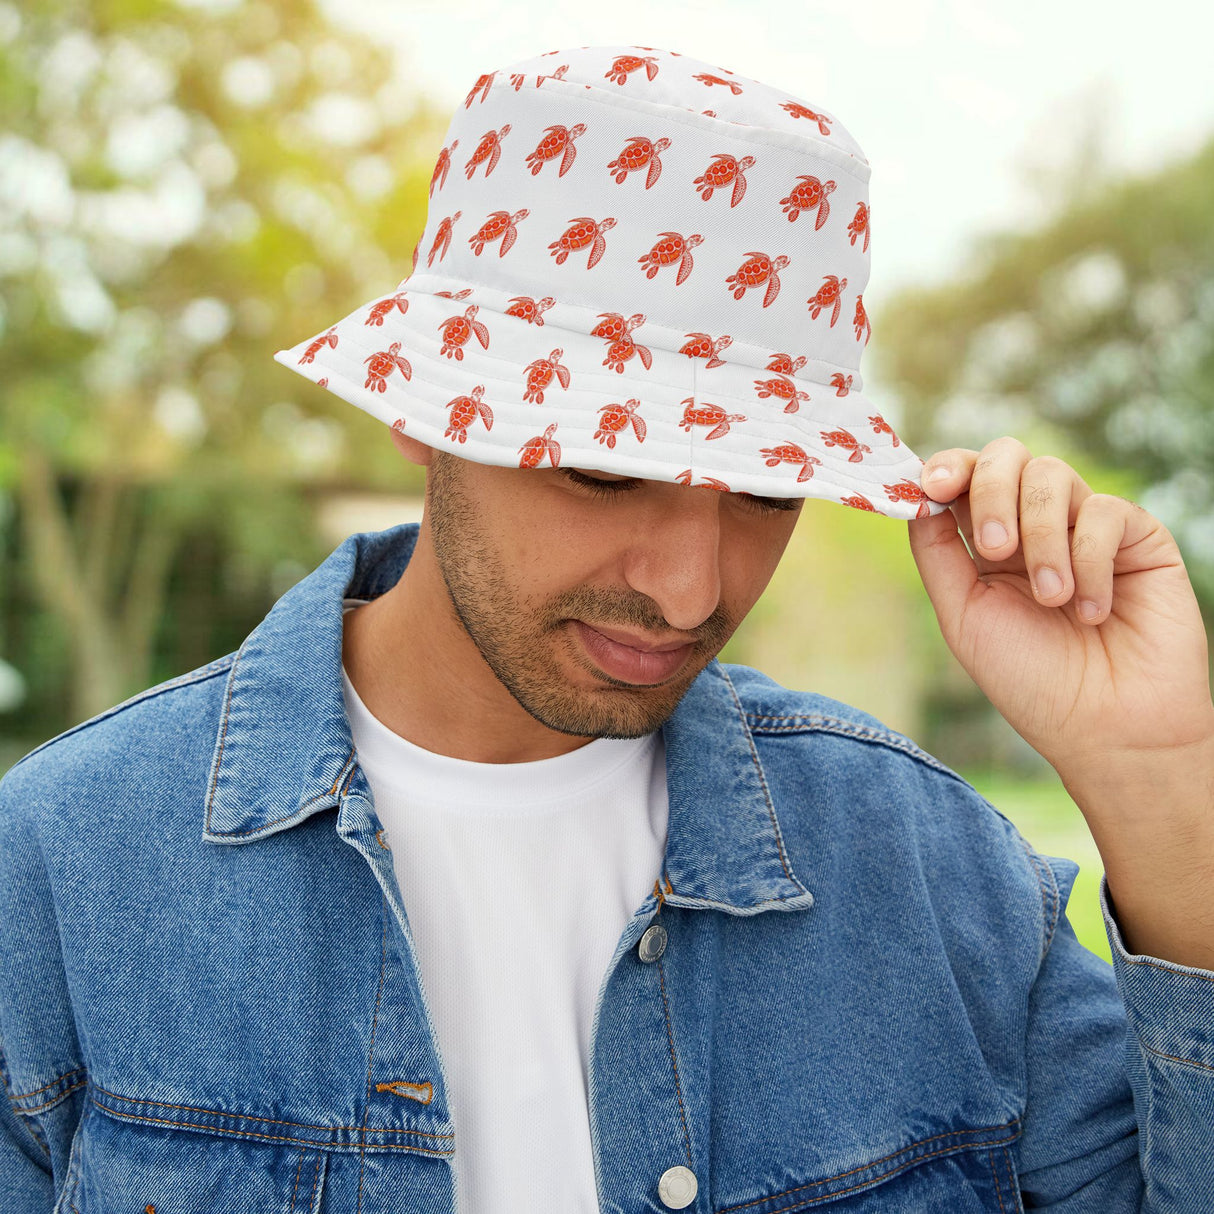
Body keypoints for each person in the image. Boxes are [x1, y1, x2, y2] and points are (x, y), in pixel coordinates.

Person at [1, 42, 1212, 1214]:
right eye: (601, 471)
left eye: (762, 488)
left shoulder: (927, 866)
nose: (691, 592)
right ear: (424, 414)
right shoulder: (64, 868)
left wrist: (1157, 784)